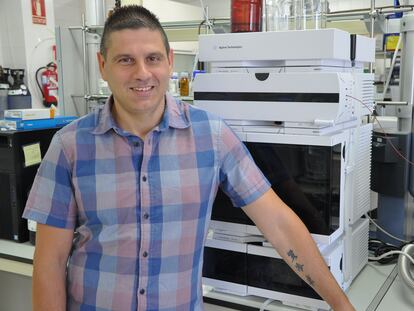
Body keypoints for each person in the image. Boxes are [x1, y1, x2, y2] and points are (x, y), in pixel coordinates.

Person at [23, 5, 355, 311]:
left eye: (152, 58)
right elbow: (50, 262)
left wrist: (340, 305)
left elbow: (280, 225)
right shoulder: (70, 146)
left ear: (169, 61)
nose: (142, 73)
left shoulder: (212, 136)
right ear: (102, 65)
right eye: (125, 60)